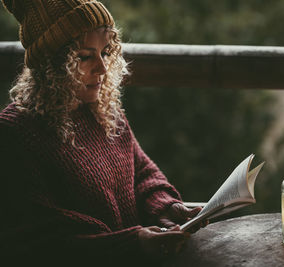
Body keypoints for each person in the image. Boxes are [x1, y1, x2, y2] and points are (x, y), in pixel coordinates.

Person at [0, 0, 204, 264]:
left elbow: (142, 173)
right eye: (85, 56)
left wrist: (165, 206)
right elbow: (42, 244)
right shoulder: (14, 134)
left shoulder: (103, 112)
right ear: (50, 64)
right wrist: (133, 243)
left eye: (105, 52)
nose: (103, 67)